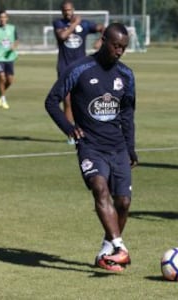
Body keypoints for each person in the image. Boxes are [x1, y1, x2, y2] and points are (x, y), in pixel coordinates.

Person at [45, 23, 138, 271]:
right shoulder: (79, 69)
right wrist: (68, 127)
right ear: (103, 40)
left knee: (124, 202)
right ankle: (120, 247)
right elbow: (52, 101)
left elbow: (128, 114)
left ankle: (106, 251)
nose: (119, 51)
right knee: (99, 188)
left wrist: (131, 148)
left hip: (117, 147)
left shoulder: (126, 75)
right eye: (116, 45)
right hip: (90, 146)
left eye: (123, 48)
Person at [53, 0, 104, 144]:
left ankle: (87, 130)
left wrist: (101, 41)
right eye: (65, 10)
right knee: (67, 100)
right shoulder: (59, 24)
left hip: (82, 67)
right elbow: (62, 37)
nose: (67, 12)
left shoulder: (86, 24)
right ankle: (71, 134)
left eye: (69, 10)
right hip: (64, 67)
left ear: (73, 10)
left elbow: (103, 28)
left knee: (84, 99)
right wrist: (75, 24)